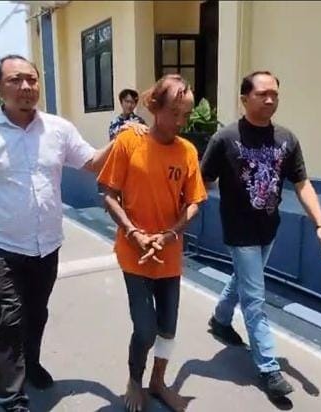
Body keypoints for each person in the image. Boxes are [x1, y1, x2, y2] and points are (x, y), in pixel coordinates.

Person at [0, 54, 138, 412]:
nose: (26, 87)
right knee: (8, 318)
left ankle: (31, 363)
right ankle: (12, 396)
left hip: (46, 246)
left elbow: (92, 163)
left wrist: (124, 138)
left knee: (36, 313)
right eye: (16, 80)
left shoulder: (58, 129)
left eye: (32, 79)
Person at [200, 71, 321, 401]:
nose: (270, 99)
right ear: (244, 98)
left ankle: (220, 320)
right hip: (239, 231)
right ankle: (269, 368)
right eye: (262, 94)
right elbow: (202, 180)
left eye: (274, 94)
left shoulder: (286, 139)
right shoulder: (225, 139)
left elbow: (302, 183)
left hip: (268, 228)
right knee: (255, 299)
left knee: (245, 279)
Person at [98, 74, 207, 412]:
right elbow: (108, 194)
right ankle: (135, 379)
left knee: (168, 329)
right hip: (134, 253)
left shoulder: (187, 151)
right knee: (145, 329)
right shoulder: (129, 142)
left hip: (168, 254)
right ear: (155, 107)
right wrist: (134, 233)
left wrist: (170, 234)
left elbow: (194, 202)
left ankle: (158, 381)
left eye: (186, 114)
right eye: (174, 112)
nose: (180, 121)